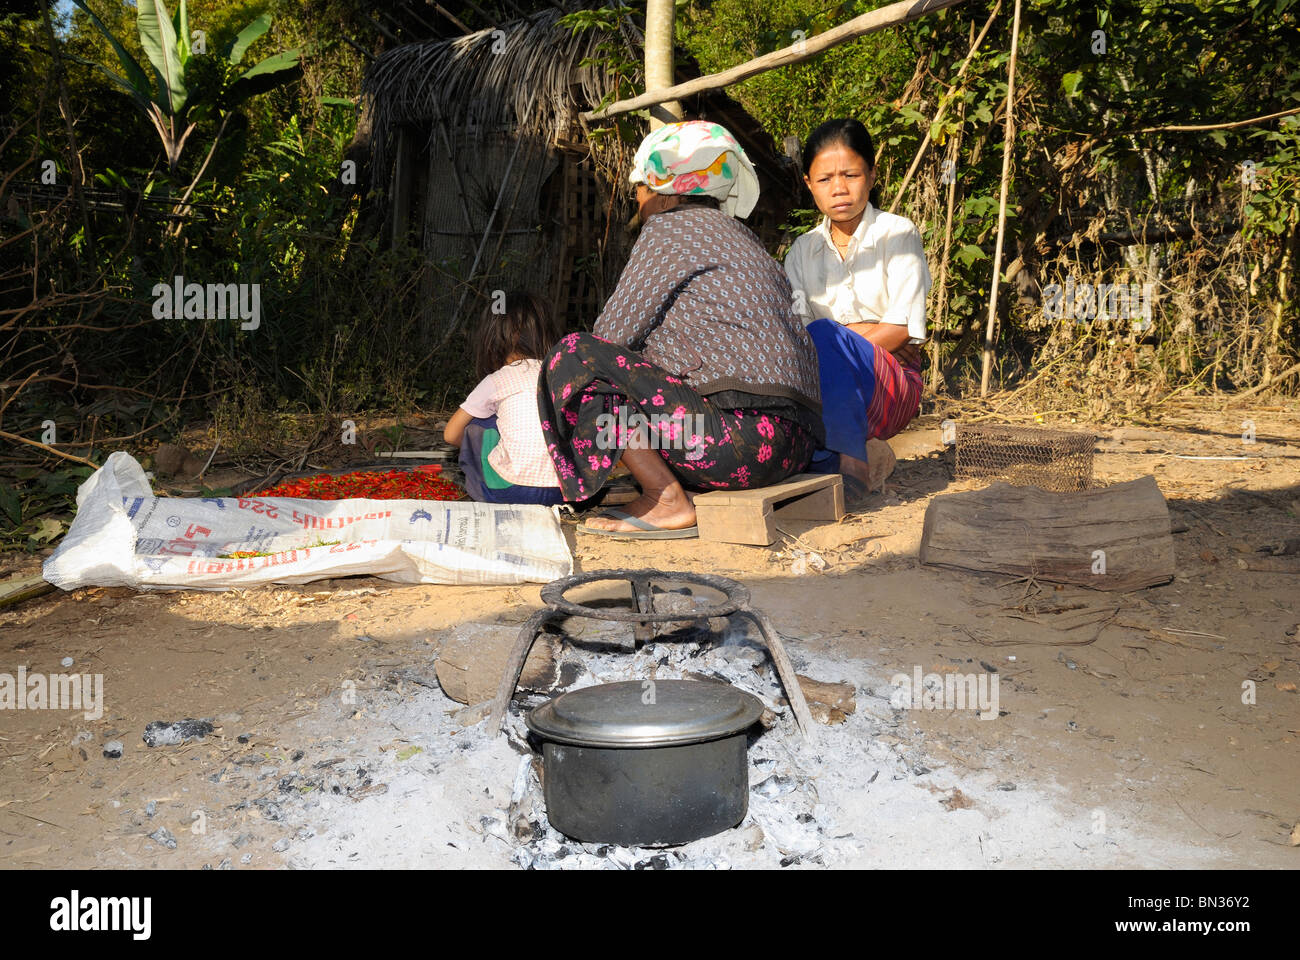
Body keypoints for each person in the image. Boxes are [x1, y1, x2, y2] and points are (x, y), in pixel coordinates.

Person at [538, 120, 824, 539]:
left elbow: (610, 338)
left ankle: (665, 496)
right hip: (793, 450)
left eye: (639, 188)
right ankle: (665, 488)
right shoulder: (743, 237)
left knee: (574, 354)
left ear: (662, 191)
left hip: (730, 447)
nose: (637, 201)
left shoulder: (669, 229)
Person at [783, 118, 932, 502]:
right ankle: (855, 453)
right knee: (819, 340)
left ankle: (851, 468)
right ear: (808, 185)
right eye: (825, 179)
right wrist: (864, 332)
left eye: (850, 174)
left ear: (871, 174)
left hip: (891, 385)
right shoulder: (800, 252)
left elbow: (901, 330)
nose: (839, 189)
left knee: (825, 334)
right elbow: (797, 342)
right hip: (826, 390)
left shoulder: (898, 234)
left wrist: (838, 340)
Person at [444, 291, 565, 505]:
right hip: (563, 490)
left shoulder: (497, 379)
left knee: (480, 422)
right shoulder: (562, 376)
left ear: (493, 338)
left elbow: (451, 435)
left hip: (508, 491)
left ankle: (488, 483)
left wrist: (482, 447)